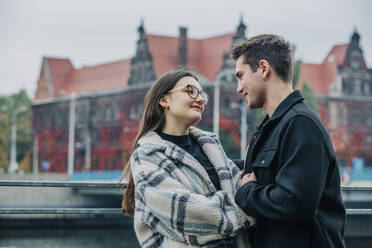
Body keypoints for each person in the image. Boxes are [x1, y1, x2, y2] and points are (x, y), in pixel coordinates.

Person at [231, 34, 346, 248]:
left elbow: (295, 202)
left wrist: (246, 192)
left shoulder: (301, 124)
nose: (238, 88)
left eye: (241, 75)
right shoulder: (272, 127)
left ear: (263, 68)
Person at [120, 70, 253, 248]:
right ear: (164, 100)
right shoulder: (147, 156)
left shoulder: (211, 147)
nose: (200, 99)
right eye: (191, 91)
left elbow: (244, 187)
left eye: (202, 94)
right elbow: (185, 213)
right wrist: (246, 214)